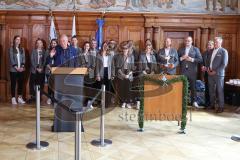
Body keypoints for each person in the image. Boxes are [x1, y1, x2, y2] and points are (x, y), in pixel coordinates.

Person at [178, 36, 203, 108]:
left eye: (189, 41)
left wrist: (191, 59)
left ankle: (194, 102)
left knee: (193, 87)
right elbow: (176, 59)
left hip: (192, 72)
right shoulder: (181, 49)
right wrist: (182, 58)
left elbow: (200, 60)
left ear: (191, 41)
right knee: (183, 87)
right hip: (183, 71)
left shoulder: (196, 49)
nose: (187, 42)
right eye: (186, 41)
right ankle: (183, 101)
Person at [207, 37, 228, 113]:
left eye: (217, 42)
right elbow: (209, 61)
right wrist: (208, 69)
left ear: (221, 43)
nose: (215, 43)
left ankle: (221, 107)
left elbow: (224, 64)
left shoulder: (224, 51)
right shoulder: (211, 51)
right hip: (210, 73)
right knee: (211, 90)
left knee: (219, 90)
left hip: (219, 75)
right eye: (215, 42)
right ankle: (212, 105)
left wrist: (215, 71)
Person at [116, 41, 136, 109]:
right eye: (124, 49)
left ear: (128, 49)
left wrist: (129, 74)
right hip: (121, 74)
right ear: (122, 49)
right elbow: (118, 68)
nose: (125, 50)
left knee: (128, 89)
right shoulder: (119, 56)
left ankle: (128, 103)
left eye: (126, 48)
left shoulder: (131, 57)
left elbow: (133, 67)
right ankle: (123, 102)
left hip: (129, 73)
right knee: (122, 89)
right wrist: (123, 75)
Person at [95, 41, 115, 107]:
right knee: (101, 87)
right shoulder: (98, 54)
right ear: (102, 46)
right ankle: (101, 102)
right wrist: (97, 75)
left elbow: (112, 66)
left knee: (108, 87)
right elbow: (97, 66)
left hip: (108, 72)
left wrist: (113, 74)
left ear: (107, 47)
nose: (105, 47)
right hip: (101, 72)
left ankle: (107, 102)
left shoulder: (110, 55)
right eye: (104, 45)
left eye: (106, 46)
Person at [9, 35, 26, 105]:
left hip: (21, 70)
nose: (18, 41)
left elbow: (24, 59)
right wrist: (16, 68)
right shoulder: (11, 49)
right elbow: (11, 59)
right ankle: (13, 98)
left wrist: (22, 67)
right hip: (13, 70)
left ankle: (19, 98)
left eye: (19, 40)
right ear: (14, 40)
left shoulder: (22, 49)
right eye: (17, 39)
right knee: (13, 84)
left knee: (20, 84)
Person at [28, 38, 47, 103]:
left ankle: (39, 97)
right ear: (36, 44)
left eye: (40, 43)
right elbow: (32, 60)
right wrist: (36, 68)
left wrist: (41, 68)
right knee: (32, 83)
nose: (39, 44)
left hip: (42, 70)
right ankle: (33, 96)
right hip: (34, 70)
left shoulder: (45, 51)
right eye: (38, 43)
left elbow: (45, 61)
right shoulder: (34, 51)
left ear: (42, 44)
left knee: (40, 84)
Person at [79, 41, 96, 108]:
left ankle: (89, 102)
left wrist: (90, 69)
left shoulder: (91, 55)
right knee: (83, 88)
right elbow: (79, 64)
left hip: (90, 73)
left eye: (88, 46)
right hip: (83, 74)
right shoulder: (80, 55)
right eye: (86, 46)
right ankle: (83, 102)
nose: (87, 47)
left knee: (90, 88)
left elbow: (94, 64)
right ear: (84, 47)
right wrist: (84, 69)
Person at [201, 40, 214, 108]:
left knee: (212, 88)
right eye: (208, 45)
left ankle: (212, 104)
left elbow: (214, 63)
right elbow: (202, 62)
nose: (209, 46)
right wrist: (203, 66)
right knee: (206, 88)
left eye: (210, 45)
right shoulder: (204, 53)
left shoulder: (214, 53)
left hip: (212, 73)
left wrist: (208, 68)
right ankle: (206, 103)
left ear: (213, 45)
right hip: (206, 73)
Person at [45, 38, 58, 105]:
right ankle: (49, 98)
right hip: (49, 70)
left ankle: (54, 98)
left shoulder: (58, 51)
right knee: (50, 85)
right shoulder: (47, 51)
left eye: (55, 43)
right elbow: (46, 62)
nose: (53, 44)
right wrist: (51, 69)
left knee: (55, 85)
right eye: (52, 43)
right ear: (51, 44)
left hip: (57, 71)